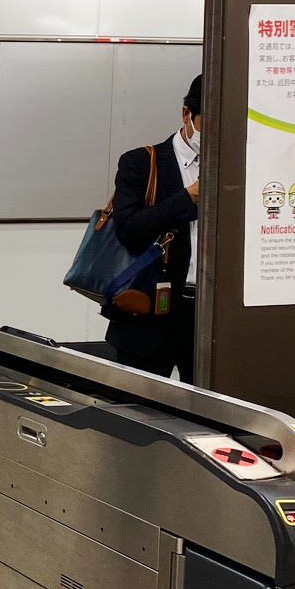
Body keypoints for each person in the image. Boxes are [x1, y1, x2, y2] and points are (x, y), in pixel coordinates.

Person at [103, 76, 202, 380]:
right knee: (137, 414)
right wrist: (188, 197)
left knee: (212, 416)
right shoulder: (141, 163)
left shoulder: (244, 167)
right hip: (148, 311)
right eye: (211, 124)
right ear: (187, 114)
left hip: (212, 319)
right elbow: (129, 229)